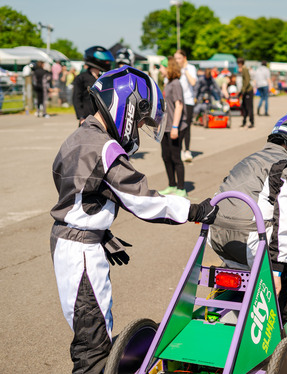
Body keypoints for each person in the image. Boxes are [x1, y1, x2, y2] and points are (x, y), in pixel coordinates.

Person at [50, 66, 218, 374]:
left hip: (71, 242)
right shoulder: (104, 146)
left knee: (92, 331)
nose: (139, 126)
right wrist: (194, 210)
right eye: (140, 120)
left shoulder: (80, 136)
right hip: (80, 252)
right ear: (127, 106)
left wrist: (99, 229)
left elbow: (76, 190)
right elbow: (143, 201)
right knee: (93, 347)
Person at [208, 110, 287, 323]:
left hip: (216, 237)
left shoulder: (252, 158)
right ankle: (281, 336)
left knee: (261, 263)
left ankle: (220, 318)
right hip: (251, 240)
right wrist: (277, 269)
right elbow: (284, 219)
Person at [158, 57, 189, 197]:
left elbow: (179, 105)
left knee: (176, 158)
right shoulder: (168, 83)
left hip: (175, 126)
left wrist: (175, 126)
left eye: (162, 67)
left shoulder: (176, 84)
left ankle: (181, 188)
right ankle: (172, 185)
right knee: (165, 156)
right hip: (166, 127)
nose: (160, 70)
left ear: (168, 68)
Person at [73, 46, 114, 125]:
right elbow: (76, 98)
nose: (107, 62)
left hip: (102, 119)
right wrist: (81, 117)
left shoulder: (104, 78)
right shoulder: (81, 78)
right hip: (87, 118)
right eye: (104, 60)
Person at [174, 49, 197, 162]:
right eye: (175, 58)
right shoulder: (175, 69)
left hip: (188, 101)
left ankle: (187, 150)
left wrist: (185, 70)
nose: (177, 61)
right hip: (177, 101)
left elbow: (193, 82)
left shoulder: (191, 68)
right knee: (177, 125)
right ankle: (179, 149)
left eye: (179, 58)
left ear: (184, 58)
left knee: (186, 126)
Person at [237, 57, 254, 128]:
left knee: (249, 107)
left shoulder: (245, 69)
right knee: (244, 107)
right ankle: (244, 122)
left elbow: (247, 81)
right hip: (245, 90)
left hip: (248, 91)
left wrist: (243, 90)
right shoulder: (243, 69)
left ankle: (251, 122)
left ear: (240, 63)